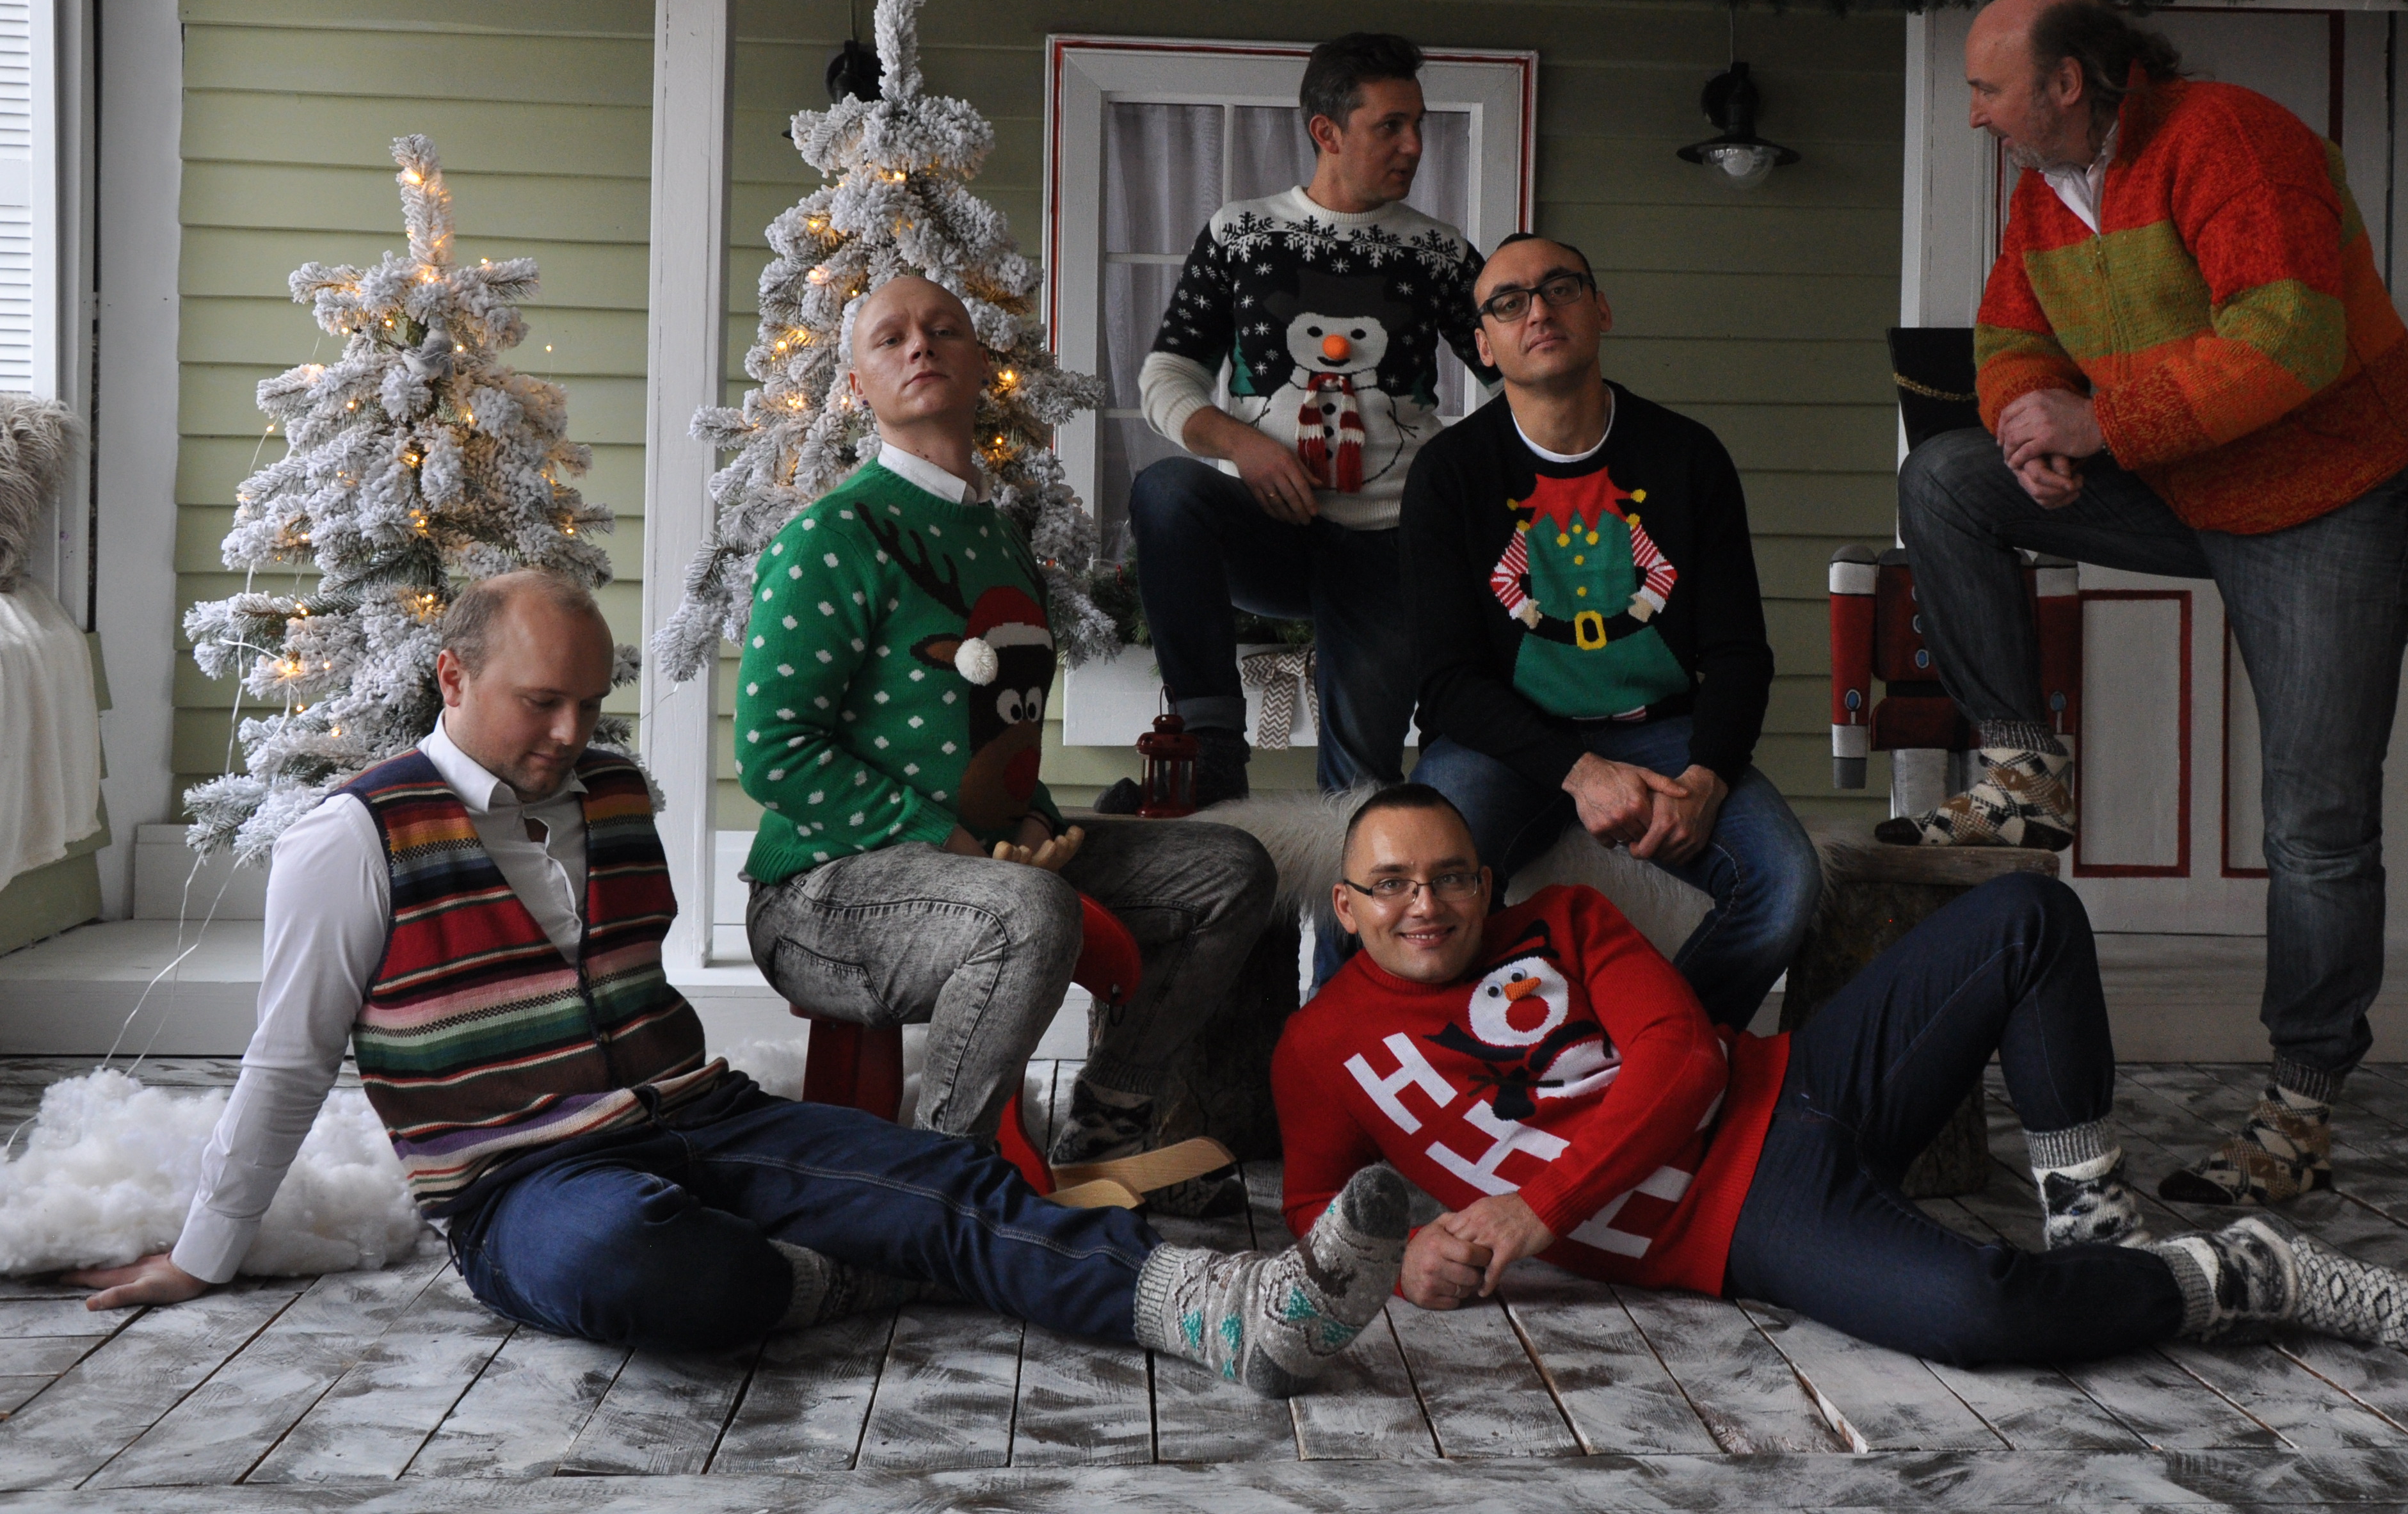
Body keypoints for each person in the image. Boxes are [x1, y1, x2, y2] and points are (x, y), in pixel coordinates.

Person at [67, 569, 1408, 1392]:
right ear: (452, 673)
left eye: (590, 702)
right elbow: (289, 1059)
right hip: (519, 1181)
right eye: (540, 702)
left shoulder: (610, 793)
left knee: (944, 1178)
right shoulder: (351, 837)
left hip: (697, 1113)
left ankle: (1229, 1311)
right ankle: (844, 1269)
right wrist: (203, 1251)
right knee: (631, 1259)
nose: (571, 732)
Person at [1271, 784, 2408, 1368]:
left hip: (1804, 1084)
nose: (1426, 904)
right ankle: (2245, 1270)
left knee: (2026, 914)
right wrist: (1400, 1262)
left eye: (1452, 876)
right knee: (1985, 1318)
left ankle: (2096, 1229)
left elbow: (1683, 1062)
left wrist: (1536, 1210)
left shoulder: (1566, 919)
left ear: (1486, 882)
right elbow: (1314, 1212)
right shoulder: (1319, 1049)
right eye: (1392, 884)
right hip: (1749, 1221)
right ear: (1346, 904)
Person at [1893, 0, 2408, 1209]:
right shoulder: (2043, 192)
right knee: (1948, 481)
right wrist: (2028, 431)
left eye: (1986, 88)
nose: (1974, 114)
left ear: (2065, 82)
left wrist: (2101, 423)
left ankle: (2295, 1114)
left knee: (2313, 818)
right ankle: (2021, 771)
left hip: (2335, 493)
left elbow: (2290, 334)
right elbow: (2010, 341)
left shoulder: (2229, 141)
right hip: (2188, 476)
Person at [737, 275, 1278, 1212]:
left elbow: (1000, 731)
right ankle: (946, 1193)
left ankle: (1108, 1123)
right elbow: (774, 752)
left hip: (986, 863)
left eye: (944, 329)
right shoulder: (833, 536)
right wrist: (956, 842)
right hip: (823, 894)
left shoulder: (998, 538)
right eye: (891, 337)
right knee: (1027, 910)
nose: (920, 345)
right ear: (857, 385)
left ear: (982, 364)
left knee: (1230, 869)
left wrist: (1030, 822)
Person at [1393, 232, 1819, 1027]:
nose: (1538, 312)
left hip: (1662, 731)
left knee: (1785, 882)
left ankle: (1663, 1052)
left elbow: (1737, 654)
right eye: (1508, 303)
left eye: (1560, 288)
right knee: (1419, 879)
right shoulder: (1450, 474)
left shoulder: (1686, 456)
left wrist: (1708, 777)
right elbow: (1447, 685)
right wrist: (1579, 771)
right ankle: (1458, 1065)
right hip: (1501, 743)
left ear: (1601, 309)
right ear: (1483, 345)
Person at [1104, 31, 1491, 809]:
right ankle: (1212, 747)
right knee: (1166, 492)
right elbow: (1166, 376)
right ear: (1327, 131)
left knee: (1358, 790)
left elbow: (1518, 379)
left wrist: (1455, 481)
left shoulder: (1440, 253)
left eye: (1418, 124)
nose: (1414, 145)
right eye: (1390, 126)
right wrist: (1240, 444)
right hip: (1270, 534)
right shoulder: (1239, 235)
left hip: (1394, 548)